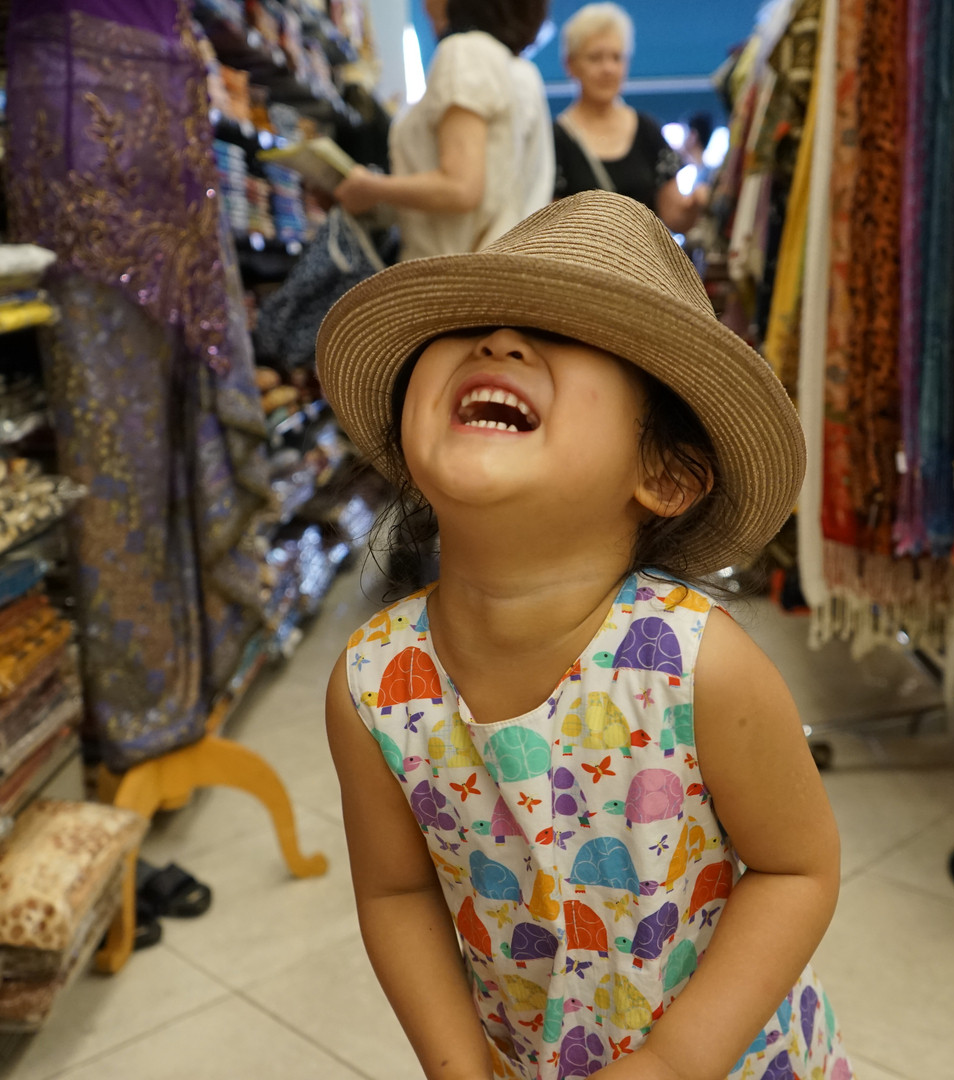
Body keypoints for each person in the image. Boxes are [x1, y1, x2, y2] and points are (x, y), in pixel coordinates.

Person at [317, 192, 850, 1080]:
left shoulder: (697, 666)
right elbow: (397, 891)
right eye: (473, 325)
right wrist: (458, 1066)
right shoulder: (374, 685)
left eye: (561, 334)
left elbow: (798, 871)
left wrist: (672, 1064)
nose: (500, 342)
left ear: (665, 474)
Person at [334, 0, 553, 260]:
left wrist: (373, 188)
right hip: (492, 266)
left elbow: (460, 189)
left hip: (451, 271)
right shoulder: (516, 68)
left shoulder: (463, 52)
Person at [553, 3, 707, 233]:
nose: (608, 68)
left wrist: (695, 205)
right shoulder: (554, 139)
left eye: (616, 57)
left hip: (642, 257)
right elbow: (547, 224)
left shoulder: (647, 130)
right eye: (595, 58)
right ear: (570, 64)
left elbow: (674, 217)